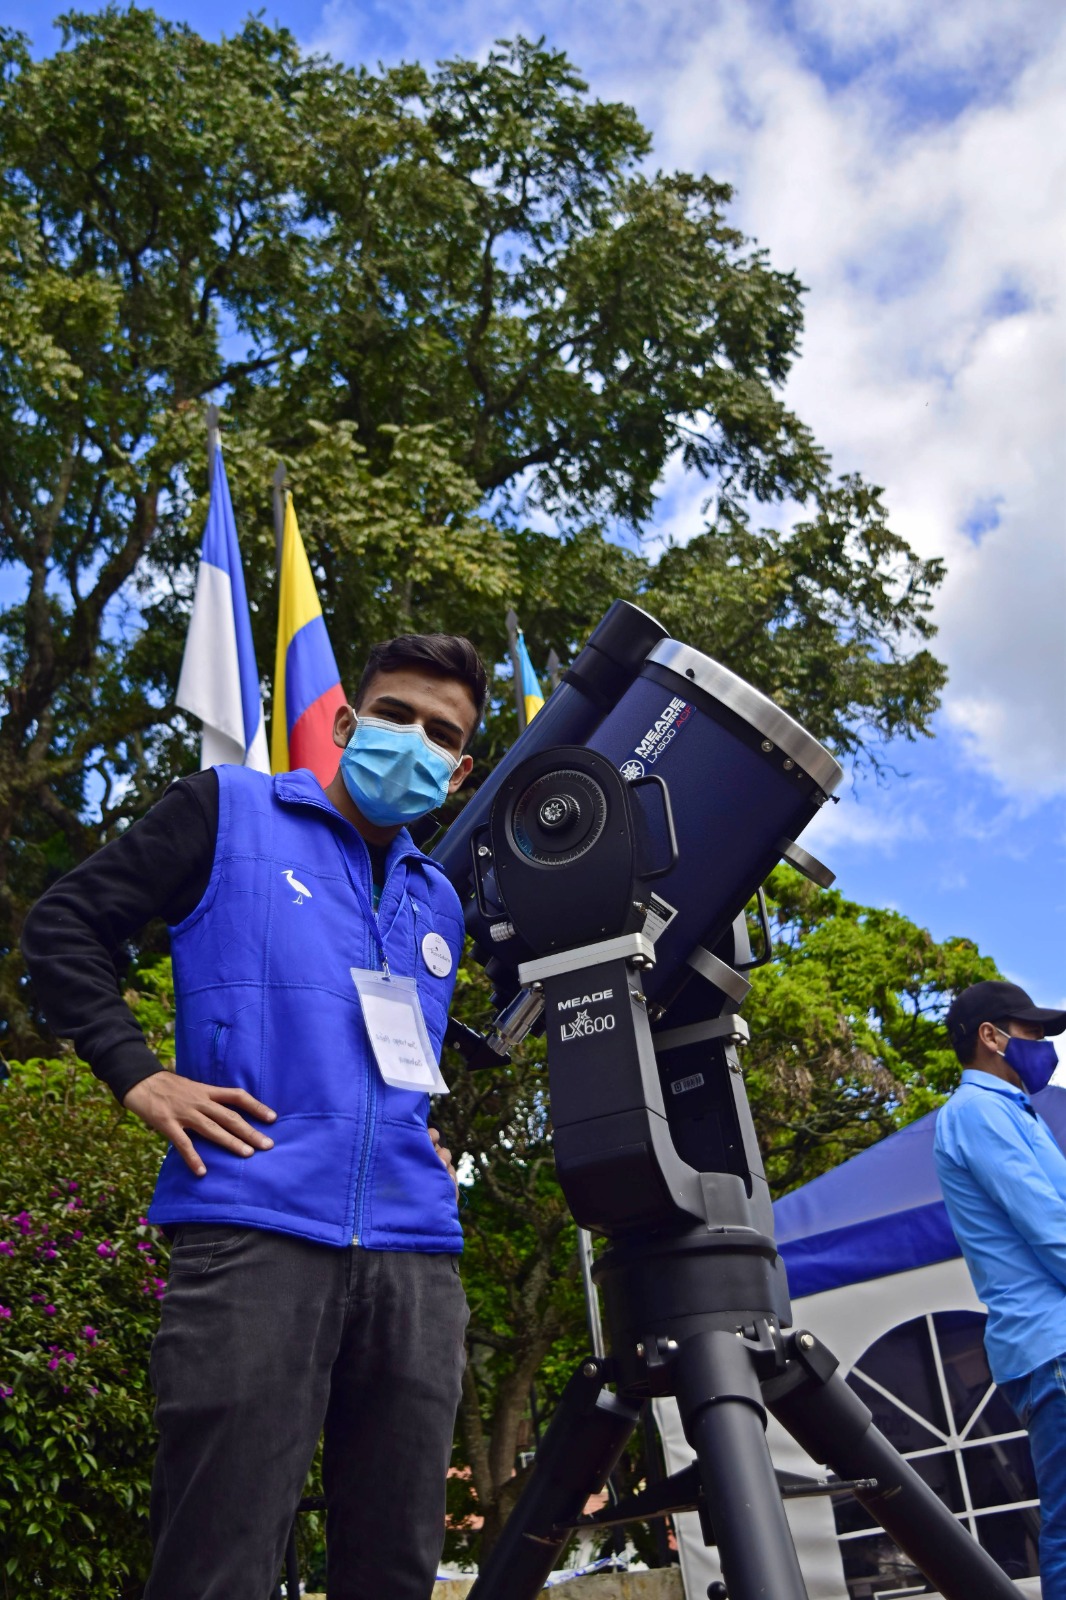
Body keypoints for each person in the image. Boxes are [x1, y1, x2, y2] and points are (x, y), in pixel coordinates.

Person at [22, 631, 488, 1600]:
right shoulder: (227, 809)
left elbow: (399, 1063)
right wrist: (140, 1074)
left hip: (415, 1256)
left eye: (440, 733)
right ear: (349, 721)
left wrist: (425, 1139)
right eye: (396, 715)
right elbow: (63, 925)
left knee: (396, 1569)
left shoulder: (438, 898)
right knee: (218, 1563)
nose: (414, 740)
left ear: (461, 766)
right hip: (253, 1232)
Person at [934, 979, 1066, 1598]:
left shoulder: (1008, 1109)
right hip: (1054, 1347)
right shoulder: (979, 1111)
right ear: (992, 1037)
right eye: (1032, 1031)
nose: (1043, 1044)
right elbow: (1050, 1228)